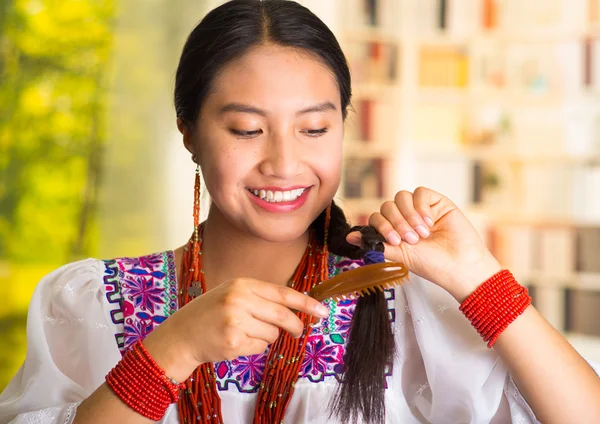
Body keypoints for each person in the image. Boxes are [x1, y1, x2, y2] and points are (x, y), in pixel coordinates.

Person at [1, 0, 599, 423]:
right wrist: (173, 350)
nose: (284, 163)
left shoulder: (402, 303)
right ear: (188, 133)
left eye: (314, 127)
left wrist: (480, 279)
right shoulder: (86, 303)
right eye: (247, 129)